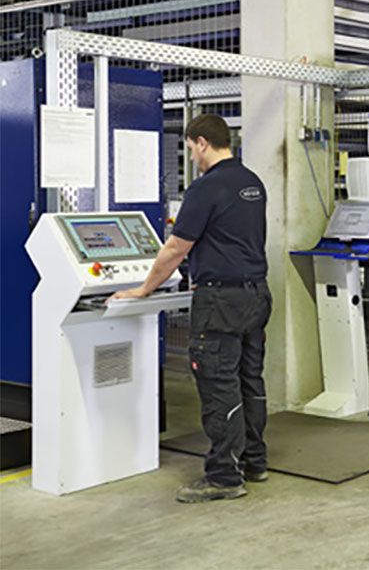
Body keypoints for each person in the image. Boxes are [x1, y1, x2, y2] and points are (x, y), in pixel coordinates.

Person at [110, 113, 271, 503]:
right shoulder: (253, 183)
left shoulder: (206, 187)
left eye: (190, 148)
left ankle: (223, 477)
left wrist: (145, 289)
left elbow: (176, 247)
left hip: (219, 301)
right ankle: (255, 461)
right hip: (256, 296)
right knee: (250, 380)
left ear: (200, 142)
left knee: (219, 385)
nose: (192, 156)